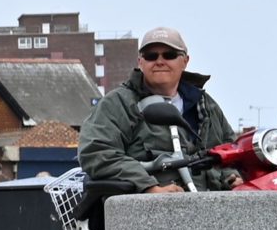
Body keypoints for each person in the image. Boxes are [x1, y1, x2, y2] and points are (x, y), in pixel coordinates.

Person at [79, 28, 236, 196]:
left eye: (169, 55)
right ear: (140, 61)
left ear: (185, 61)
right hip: (144, 212)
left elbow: (231, 150)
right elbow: (96, 151)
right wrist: (149, 188)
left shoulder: (205, 105)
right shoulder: (118, 103)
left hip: (210, 208)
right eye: (151, 56)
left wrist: (233, 178)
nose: (160, 61)